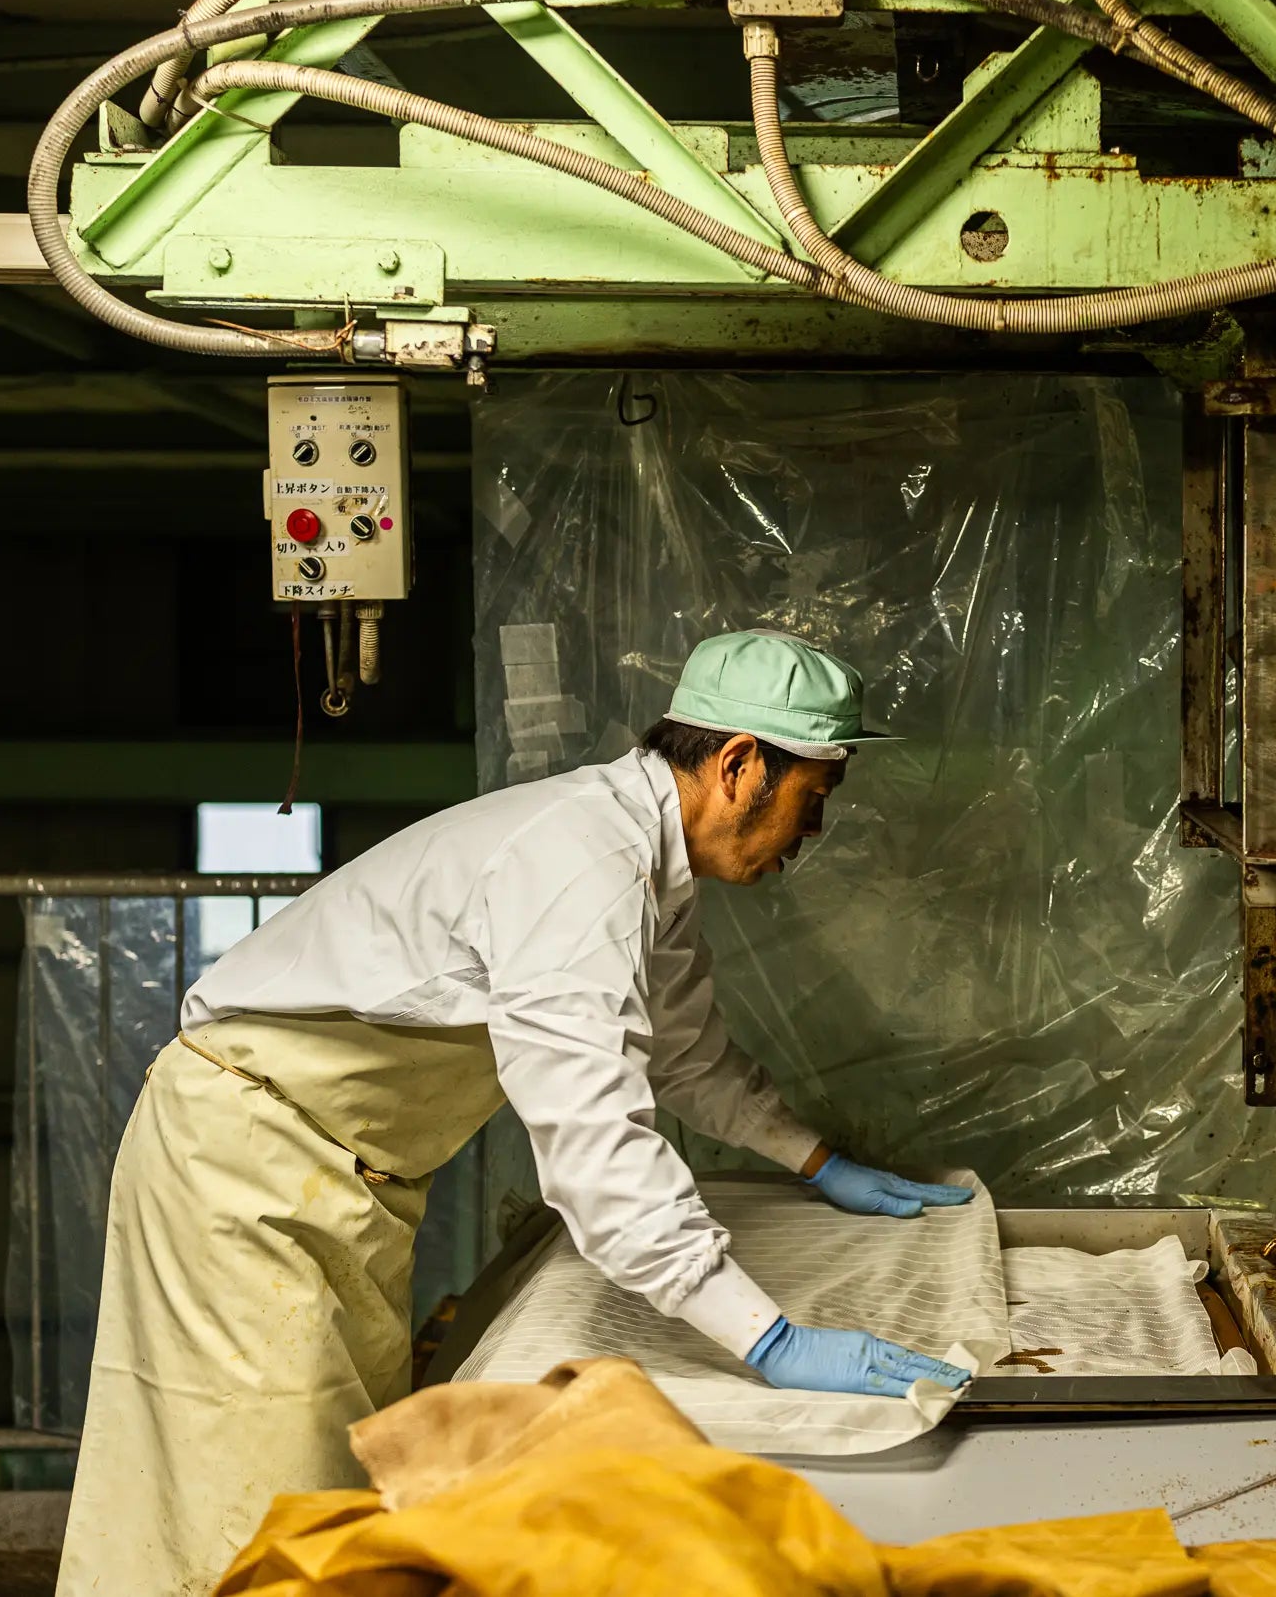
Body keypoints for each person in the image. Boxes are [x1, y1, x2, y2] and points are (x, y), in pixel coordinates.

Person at [57, 630, 973, 1597]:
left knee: (343, 1498)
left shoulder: (642, 868)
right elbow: (595, 1149)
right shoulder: (582, 866)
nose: (811, 836)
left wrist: (817, 1160)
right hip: (242, 1166)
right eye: (813, 803)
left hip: (337, 1177)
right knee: (258, 1512)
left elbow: (686, 1055)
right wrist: (768, 1339)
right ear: (741, 765)